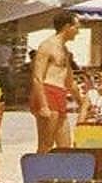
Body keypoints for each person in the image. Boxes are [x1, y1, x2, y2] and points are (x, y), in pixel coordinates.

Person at [30, 12, 85, 153]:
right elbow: (37, 77)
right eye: (76, 27)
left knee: (65, 147)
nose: (78, 32)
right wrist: (43, 105)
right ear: (67, 27)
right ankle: (39, 174)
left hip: (60, 94)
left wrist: (81, 102)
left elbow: (69, 81)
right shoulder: (47, 46)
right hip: (47, 93)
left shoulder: (65, 50)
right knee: (46, 144)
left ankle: (61, 175)